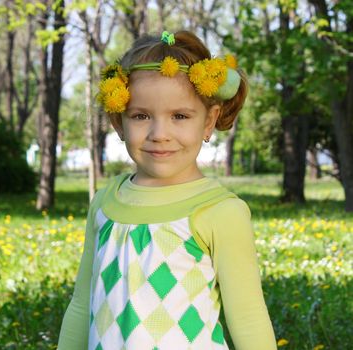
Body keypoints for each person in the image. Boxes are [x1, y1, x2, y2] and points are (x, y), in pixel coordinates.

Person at [57, 30, 276, 350]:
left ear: (208, 121)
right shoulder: (105, 203)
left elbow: (248, 318)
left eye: (180, 116)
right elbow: (81, 305)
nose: (160, 133)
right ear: (119, 121)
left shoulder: (220, 211)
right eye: (141, 116)